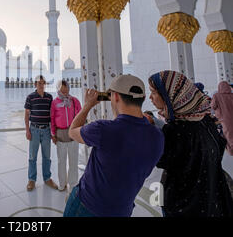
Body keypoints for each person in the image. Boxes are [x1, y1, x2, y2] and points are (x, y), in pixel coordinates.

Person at [63, 74, 164, 217]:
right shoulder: (157, 136)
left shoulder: (103, 130)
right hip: (122, 209)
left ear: (115, 97)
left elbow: (72, 132)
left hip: (87, 205)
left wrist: (88, 105)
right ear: (142, 98)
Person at [149, 70, 233, 217]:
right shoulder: (207, 121)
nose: (150, 97)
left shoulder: (176, 130)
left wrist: (150, 129)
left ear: (170, 96)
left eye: (154, 92)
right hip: (214, 198)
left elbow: (160, 160)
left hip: (186, 205)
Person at [24, 75, 58, 191]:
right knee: (32, 157)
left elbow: (52, 116)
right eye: (39, 83)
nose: (41, 85)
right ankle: (31, 180)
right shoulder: (30, 97)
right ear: (35, 84)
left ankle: (47, 178)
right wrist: (27, 130)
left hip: (46, 131)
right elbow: (27, 115)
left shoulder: (49, 97)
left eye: (43, 83)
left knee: (47, 157)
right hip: (34, 130)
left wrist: (53, 133)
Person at [50, 80, 82, 192]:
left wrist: (80, 130)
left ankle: (73, 184)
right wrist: (53, 134)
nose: (65, 91)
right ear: (59, 89)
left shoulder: (75, 101)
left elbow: (80, 116)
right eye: (62, 89)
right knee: (61, 161)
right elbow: (52, 119)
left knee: (73, 161)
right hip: (60, 135)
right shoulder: (55, 103)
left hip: (73, 134)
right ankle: (62, 183)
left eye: (66, 88)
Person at [211, 81, 233, 156]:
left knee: (227, 135)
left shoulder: (216, 96)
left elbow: (212, 106)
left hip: (224, 119)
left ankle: (231, 151)